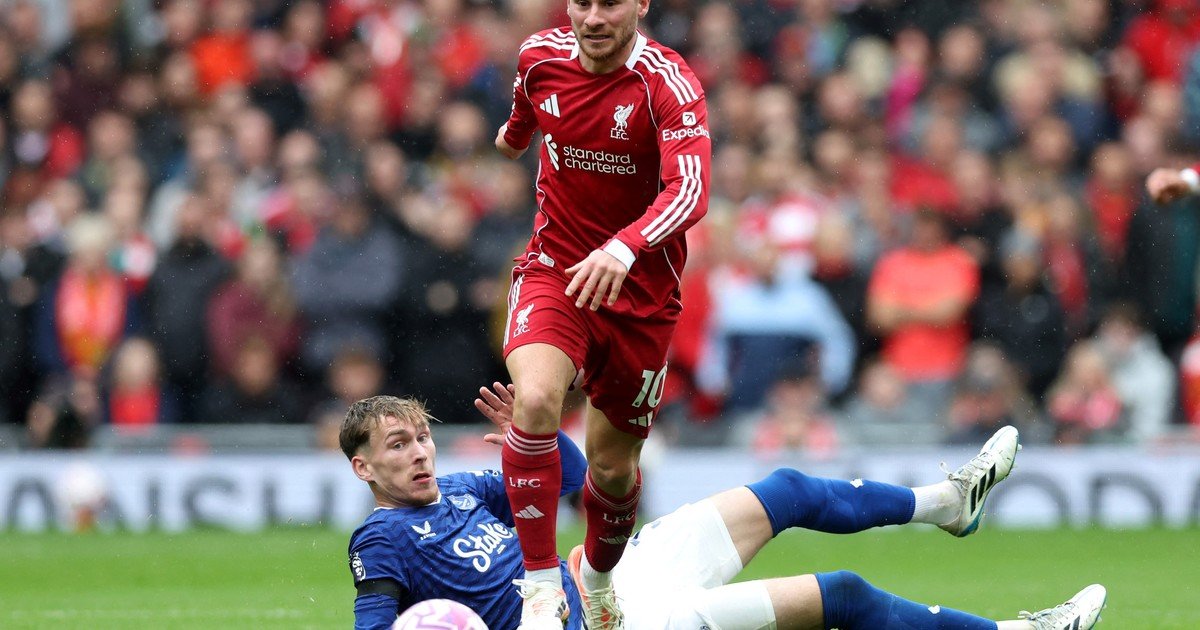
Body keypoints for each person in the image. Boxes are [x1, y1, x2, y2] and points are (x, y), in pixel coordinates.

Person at [343, 386, 1108, 630]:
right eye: (397, 446)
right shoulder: (381, 538)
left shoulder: (470, 491)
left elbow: (574, 476)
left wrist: (527, 437)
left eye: (421, 439)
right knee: (840, 595)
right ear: (362, 465)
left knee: (789, 489)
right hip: (616, 627)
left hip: (612, 575)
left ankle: (947, 503)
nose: (418, 453)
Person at [493, 0, 711, 626]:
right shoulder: (538, 59)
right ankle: (539, 589)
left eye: (609, 2)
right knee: (535, 402)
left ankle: (597, 575)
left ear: (641, 4)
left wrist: (624, 247)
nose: (592, 17)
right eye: (580, 1)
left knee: (614, 473)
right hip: (556, 271)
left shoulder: (667, 83)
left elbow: (691, 189)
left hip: (640, 300)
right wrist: (509, 140)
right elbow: (519, 123)